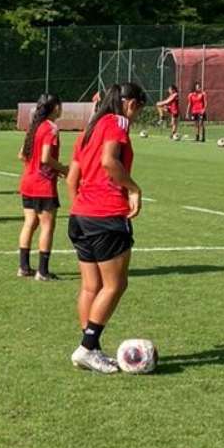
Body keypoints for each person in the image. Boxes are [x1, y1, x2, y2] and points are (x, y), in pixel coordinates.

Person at [65, 82, 147, 373]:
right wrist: (134, 188)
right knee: (116, 284)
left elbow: (71, 180)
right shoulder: (117, 122)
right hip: (106, 215)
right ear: (131, 103)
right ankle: (87, 347)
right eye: (139, 108)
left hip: (80, 216)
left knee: (91, 286)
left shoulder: (89, 129)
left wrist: (82, 209)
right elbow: (109, 161)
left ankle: (91, 349)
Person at [16, 93, 68, 281]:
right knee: (47, 226)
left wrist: (36, 167)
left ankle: (23, 267)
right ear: (55, 108)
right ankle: (43, 271)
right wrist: (63, 168)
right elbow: (46, 157)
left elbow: (22, 155)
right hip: (42, 185)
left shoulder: (34, 127)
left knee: (30, 223)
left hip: (27, 181)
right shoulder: (51, 128)